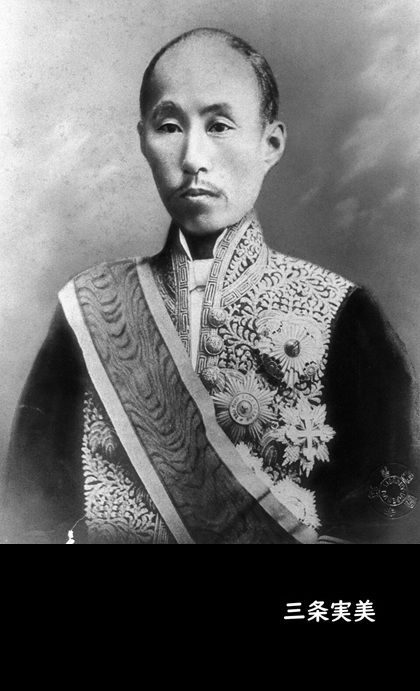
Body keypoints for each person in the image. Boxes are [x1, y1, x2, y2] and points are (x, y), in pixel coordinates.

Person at [2, 28, 419, 544]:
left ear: (270, 144)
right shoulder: (87, 307)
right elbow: (27, 513)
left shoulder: (342, 312)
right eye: (169, 127)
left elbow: (388, 521)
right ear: (143, 140)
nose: (193, 157)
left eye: (219, 126)